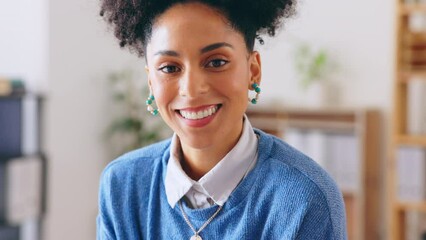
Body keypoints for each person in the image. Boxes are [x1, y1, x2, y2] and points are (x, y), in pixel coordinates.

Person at [97, 0, 348, 239]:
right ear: (151, 81)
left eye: (216, 62)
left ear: (253, 71)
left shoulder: (305, 198)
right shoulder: (122, 185)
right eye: (169, 68)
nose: (192, 90)